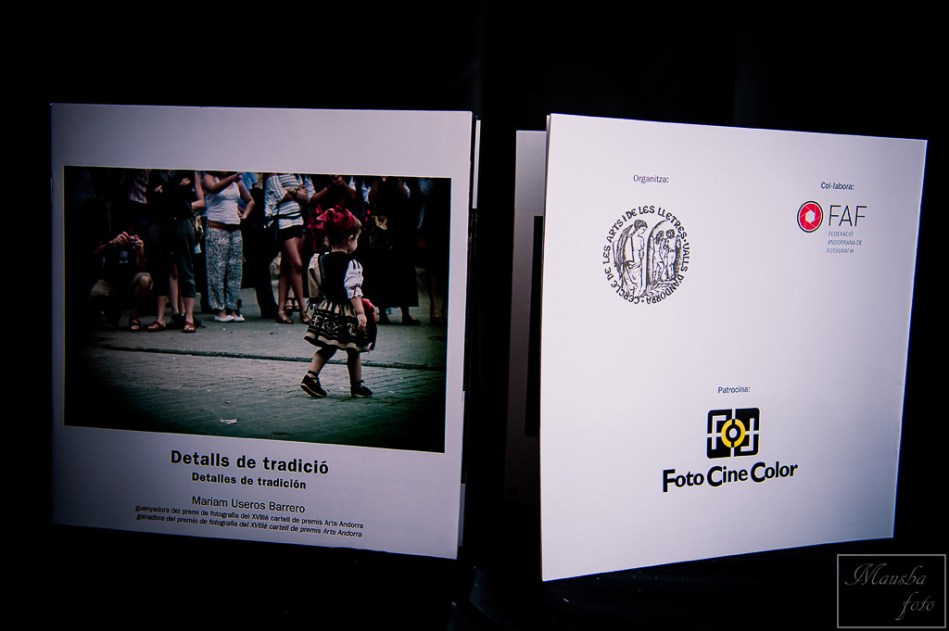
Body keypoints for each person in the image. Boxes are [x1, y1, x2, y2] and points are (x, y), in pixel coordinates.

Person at [300, 208, 376, 399]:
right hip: (345, 312)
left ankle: (311, 376)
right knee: (353, 349)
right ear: (350, 239)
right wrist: (361, 313)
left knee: (328, 346)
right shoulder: (352, 264)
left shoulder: (321, 259)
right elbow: (353, 291)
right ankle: (356, 385)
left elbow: (316, 283)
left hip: (327, 308)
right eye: (357, 238)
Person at [202, 171, 253, 322]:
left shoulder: (237, 183)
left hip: (235, 229)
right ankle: (219, 309)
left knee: (235, 270)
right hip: (217, 228)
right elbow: (213, 188)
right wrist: (231, 178)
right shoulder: (210, 177)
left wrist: (245, 215)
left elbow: (250, 201)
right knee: (216, 270)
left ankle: (233, 307)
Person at [88, 229, 152, 331]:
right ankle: (112, 316)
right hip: (110, 278)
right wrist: (111, 243)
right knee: (96, 293)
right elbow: (95, 253)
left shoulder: (141, 234)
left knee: (145, 280)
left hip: (131, 279)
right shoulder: (109, 233)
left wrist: (140, 252)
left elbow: (142, 267)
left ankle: (134, 317)